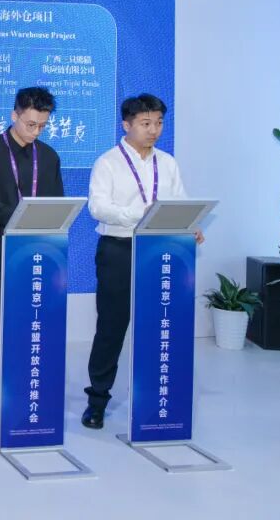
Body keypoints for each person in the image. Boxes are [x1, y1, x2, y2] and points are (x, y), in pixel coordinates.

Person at [80, 94, 203, 430]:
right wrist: (141, 214)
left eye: (159, 123)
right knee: (111, 328)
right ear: (127, 124)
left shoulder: (168, 163)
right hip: (118, 249)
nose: (154, 130)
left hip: (161, 251)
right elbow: (98, 207)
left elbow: (179, 202)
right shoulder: (108, 162)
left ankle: (155, 398)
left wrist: (190, 226)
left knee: (159, 324)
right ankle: (97, 401)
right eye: (146, 123)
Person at [0, 86, 64, 432]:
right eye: (30, 124)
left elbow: (56, 205)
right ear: (14, 115)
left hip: (37, 259)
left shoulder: (48, 157)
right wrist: (16, 213)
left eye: (42, 126)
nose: (35, 132)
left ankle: (27, 393)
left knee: (31, 329)